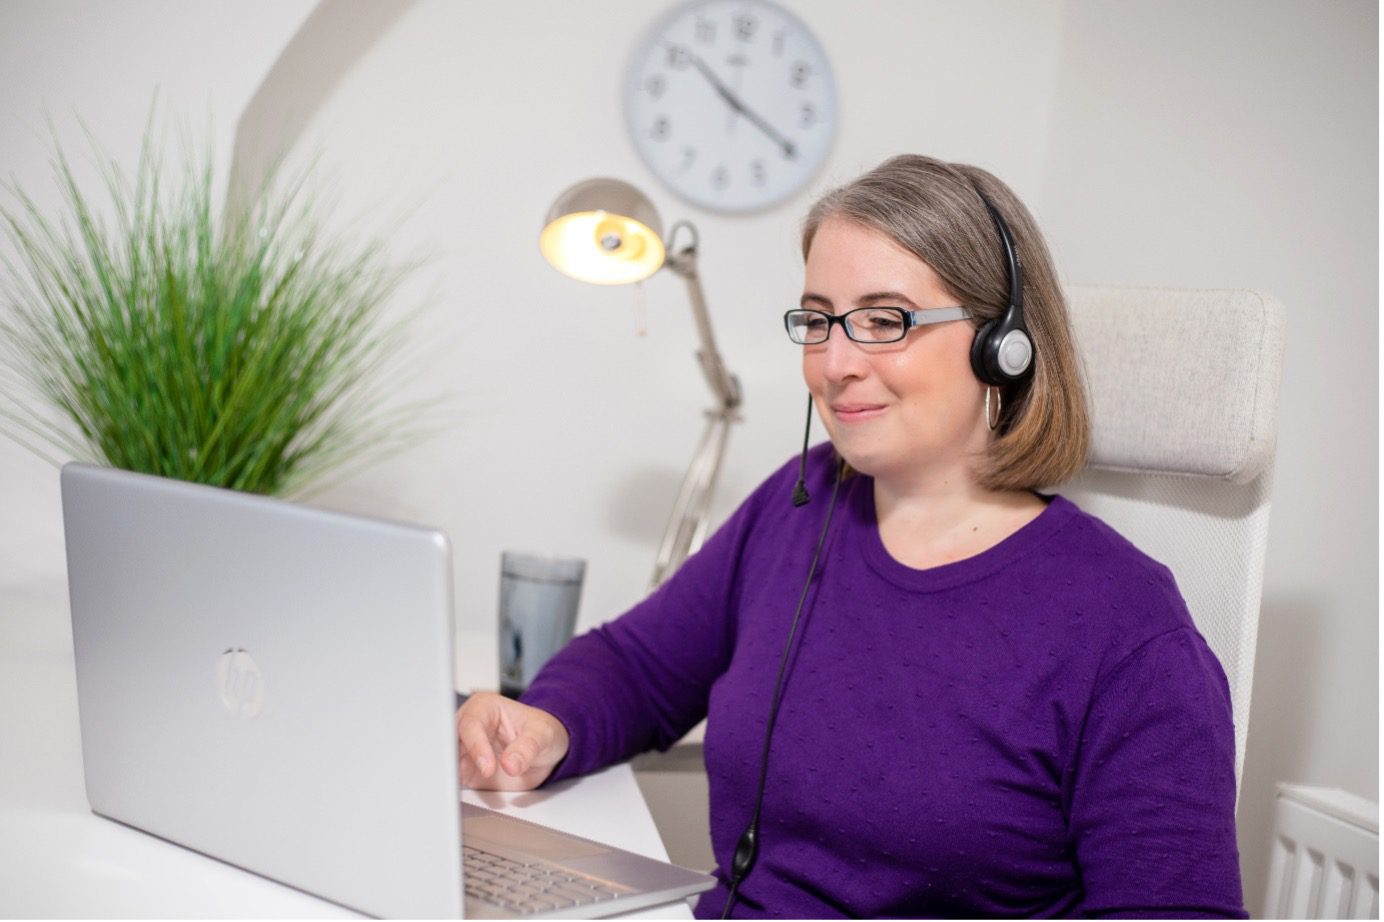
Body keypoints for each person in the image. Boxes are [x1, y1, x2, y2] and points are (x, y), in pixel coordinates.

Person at [456, 155, 1246, 918]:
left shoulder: (1127, 629)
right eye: (819, 320)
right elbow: (641, 665)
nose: (833, 363)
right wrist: (547, 723)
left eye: (883, 320)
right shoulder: (801, 503)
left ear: (1001, 346)